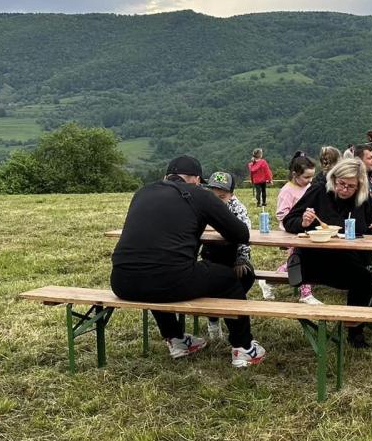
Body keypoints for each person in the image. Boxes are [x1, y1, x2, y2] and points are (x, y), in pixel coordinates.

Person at [110, 156, 265, 367]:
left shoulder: (143, 192)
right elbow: (240, 233)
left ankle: (176, 339)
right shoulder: (198, 194)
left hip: (122, 282)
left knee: (156, 273)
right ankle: (244, 347)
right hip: (171, 280)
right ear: (196, 179)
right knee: (230, 279)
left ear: (166, 176)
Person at [282, 157, 372, 348]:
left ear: (359, 185)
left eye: (351, 186)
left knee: (364, 279)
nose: (344, 189)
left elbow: (367, 231)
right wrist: (303, 222)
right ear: (334, 178)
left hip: (347, 260)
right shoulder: (319, 191)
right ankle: (353, 328)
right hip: (315, 259)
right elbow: (289, 221)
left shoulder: (364, 201)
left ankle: (355, 330)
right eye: (341, 183)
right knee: (363, 278)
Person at [199, 171, 256, 340]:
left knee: (246, 275)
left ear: (231, 194)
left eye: (222, 197)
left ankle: (231, 312)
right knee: (209, 280)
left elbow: (245, 236)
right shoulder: (202, 207)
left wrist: (241, 258)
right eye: (213, 196)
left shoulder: (238, 208)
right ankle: (213, 317)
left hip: (233, 256)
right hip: (211, 255)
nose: (217, 200)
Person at [274, 154, 321, 305]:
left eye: (312, 177)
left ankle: (269, 281)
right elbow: (281, 214)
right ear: (295, 174)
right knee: (301, 261)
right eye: (306, 177)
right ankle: (306, 294)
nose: (310, 180)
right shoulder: (287, 191)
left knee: (296, 263)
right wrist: (298, 220)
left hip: (307, 232)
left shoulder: (308, 188)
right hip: (293, 233)